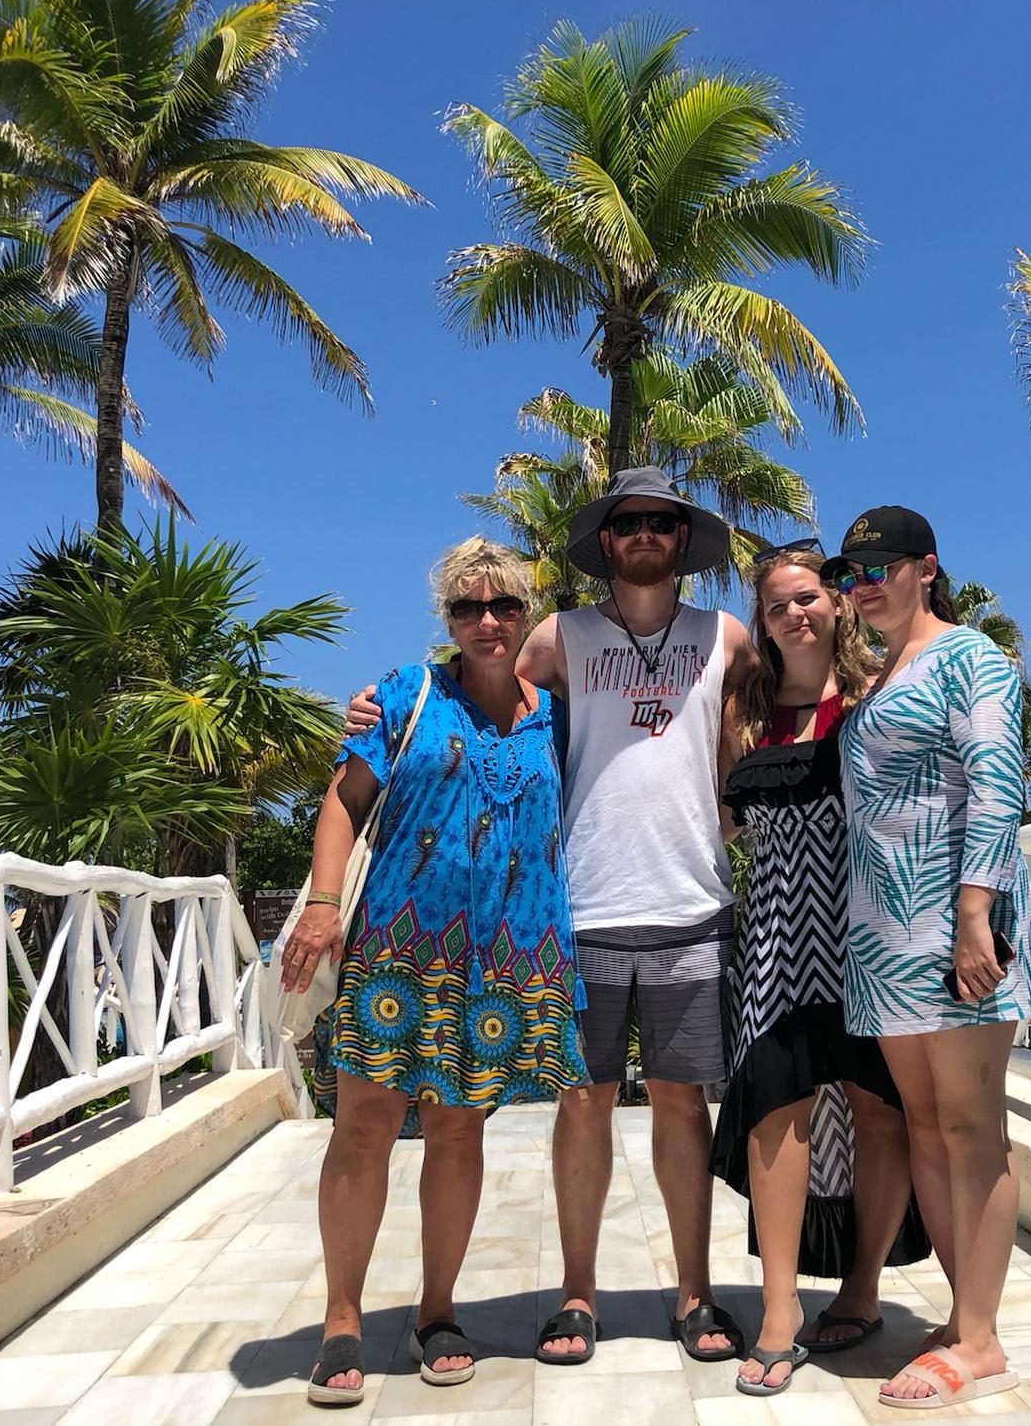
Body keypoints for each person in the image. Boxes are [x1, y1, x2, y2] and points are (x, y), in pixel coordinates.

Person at [345, 467, 755, 1365]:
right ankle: (577, 1294)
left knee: (684, 1107)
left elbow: (780, 700)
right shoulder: (555, 637)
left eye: (659, 521)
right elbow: (477, 689)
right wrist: (375, 709)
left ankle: (694, 1294)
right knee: (585, 1106)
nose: (643, 533)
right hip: (582, 910)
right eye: (626, 522)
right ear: (604, 543)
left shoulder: (724, 635)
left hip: (693, 903)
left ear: (681, 540)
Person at [283, 538, 588, 1407]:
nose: (487, 622)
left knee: (459, 1132)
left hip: (503, 959)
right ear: (446, 617)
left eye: (503, 606)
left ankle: (438, 1309)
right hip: (397, 950)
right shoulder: (407, 695)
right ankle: (343, 1317)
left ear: (527, 615)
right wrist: (320, 903)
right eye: (467, 608)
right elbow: (343, 803)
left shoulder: (557, 718)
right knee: (365, 1129)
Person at [821, 507, 1031, 1412]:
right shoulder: (879, 675)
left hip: (954, 925)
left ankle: (983, 1341)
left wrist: (974, 915)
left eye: (880, 567)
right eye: (853, 572)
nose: (864, 584)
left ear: (926, 568)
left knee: (970, 1127)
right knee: (923, 1124)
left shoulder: (972, 657)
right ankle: (966, 1318)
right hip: (881, 937)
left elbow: (998, 786)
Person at [712, 543, 930, 1398]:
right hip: (771, 934)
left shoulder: (879, 694)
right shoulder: (741, 712)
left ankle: (864, 1289)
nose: (795, 614)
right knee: (775, 1112)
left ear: (837, 605)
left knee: (880, 1111)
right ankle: (777, 1314)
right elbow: (722, 823)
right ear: (761, 622)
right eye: (776, 606)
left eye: (808, 598)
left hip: (869, 934)